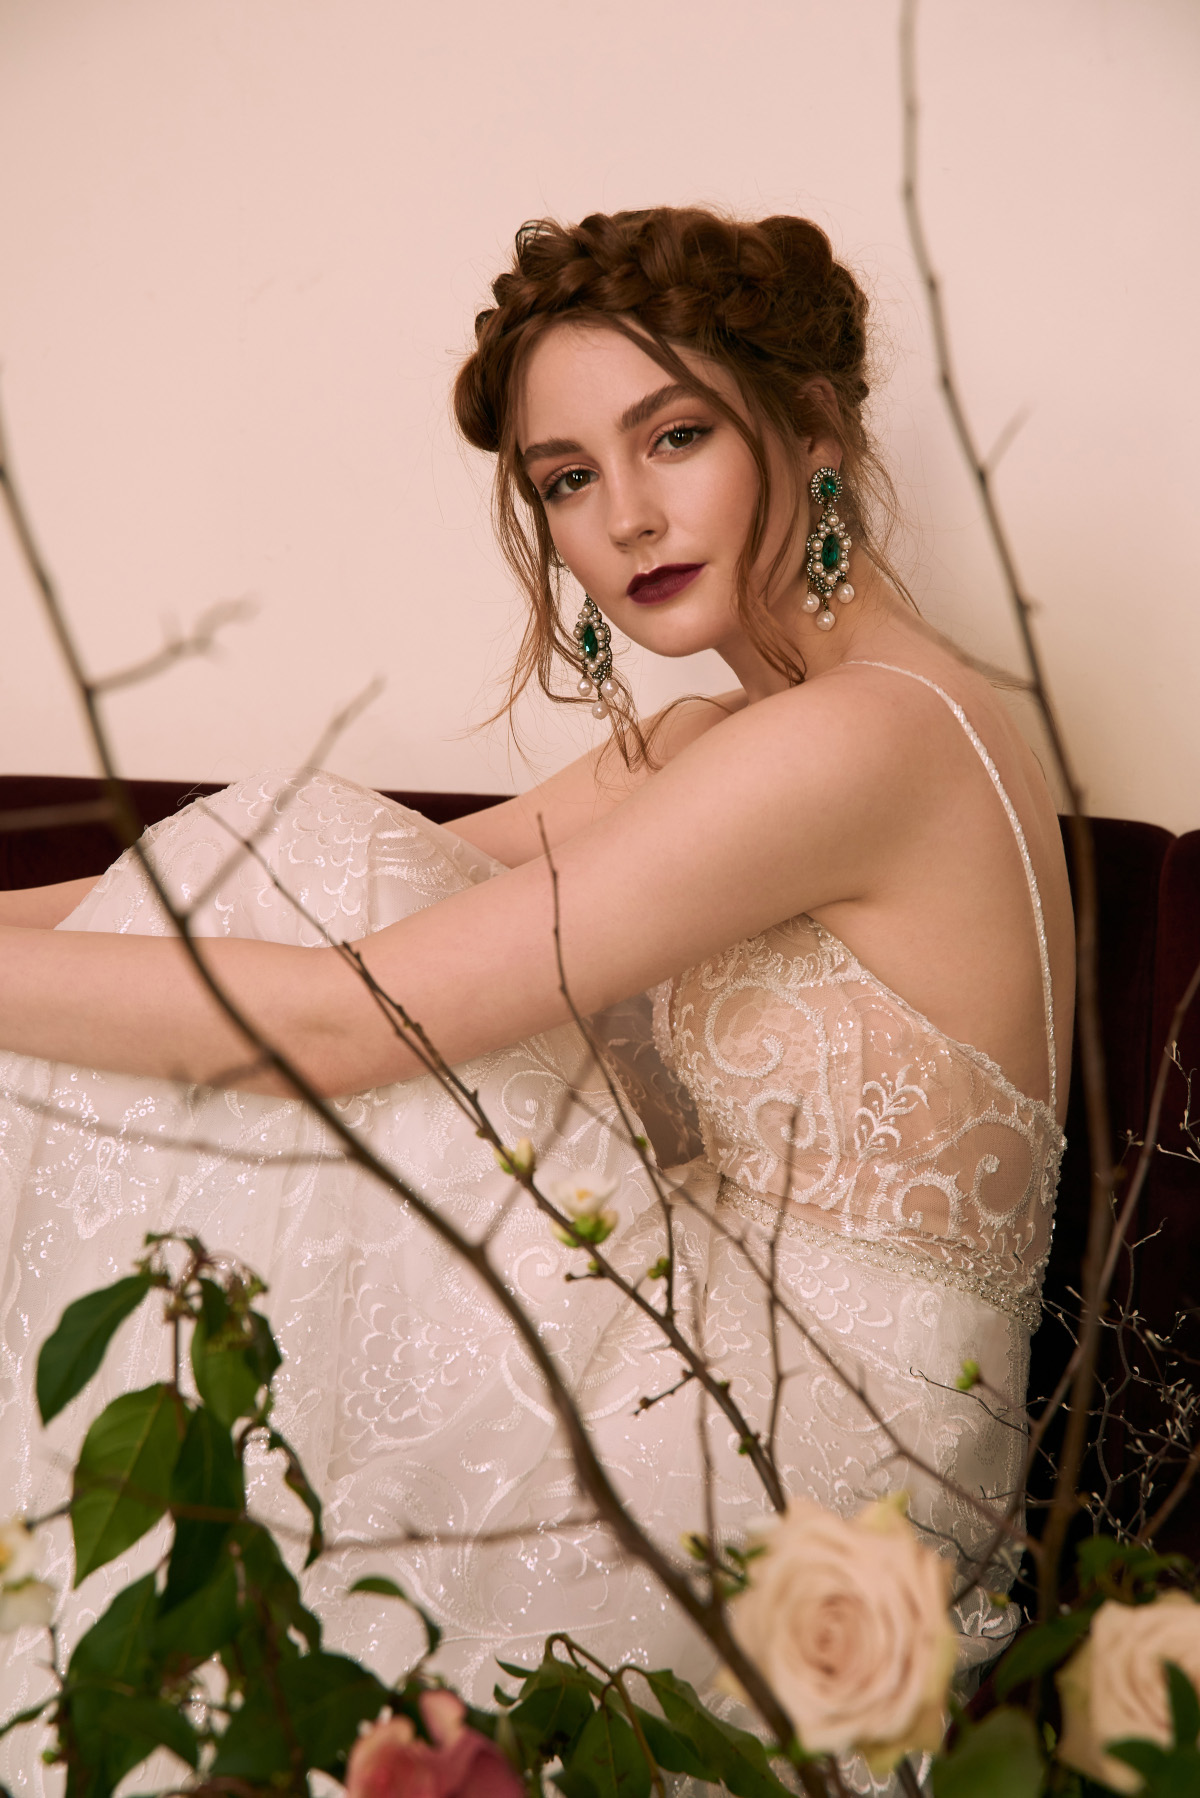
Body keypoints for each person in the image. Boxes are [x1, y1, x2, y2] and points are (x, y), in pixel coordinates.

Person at [0, 207, 1072, 1793]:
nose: (626, 516)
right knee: (305, 841)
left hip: (801, 1485)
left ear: (817, 430)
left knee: (321, 939)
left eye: (678, 435)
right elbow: (312, 878)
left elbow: (345, 1019)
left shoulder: (872, 741)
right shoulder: (734, 735)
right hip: (703, 1360)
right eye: (569, 478)